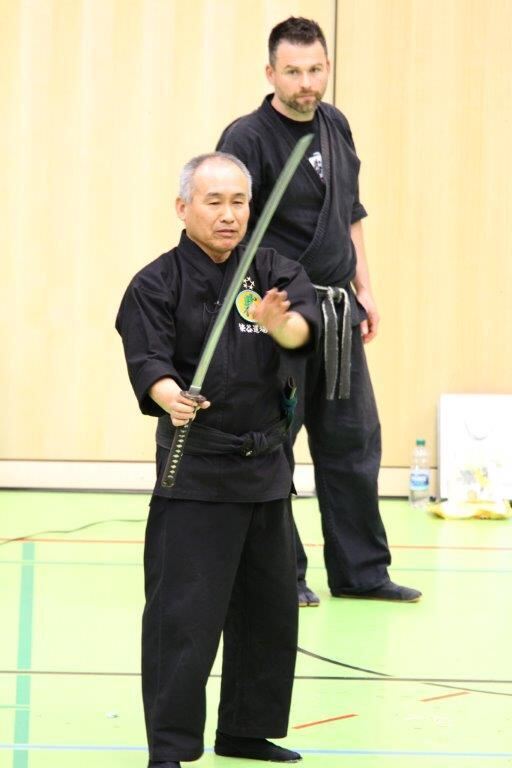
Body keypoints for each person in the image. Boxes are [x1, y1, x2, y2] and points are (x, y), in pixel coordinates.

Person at [116, 152, 321, 767]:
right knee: (183, 620)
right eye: (214, 201)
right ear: (184, 208)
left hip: (264, 470)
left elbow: (301, 333)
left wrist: (279, 324)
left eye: (239, 202)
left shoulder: (276, 272)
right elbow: (147, 359)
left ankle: (245, 731)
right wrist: (170, 398)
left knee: (268, 615)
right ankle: (172, 748)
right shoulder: (156, 283)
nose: (229, 215)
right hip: (196, 472)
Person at [217, 17, 422, 606]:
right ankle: (285, 575)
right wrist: (257, 312)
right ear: (270, 73)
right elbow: (232, 229)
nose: (306, 83)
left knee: (354, 442)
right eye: (293, 71)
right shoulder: (247, 138)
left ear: (327, 67)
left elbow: (350, 214)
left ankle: (362, 573)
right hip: (279, 317)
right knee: (275, 445)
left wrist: (367, 288)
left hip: (338, 314)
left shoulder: (336, 125)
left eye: (316, 70)